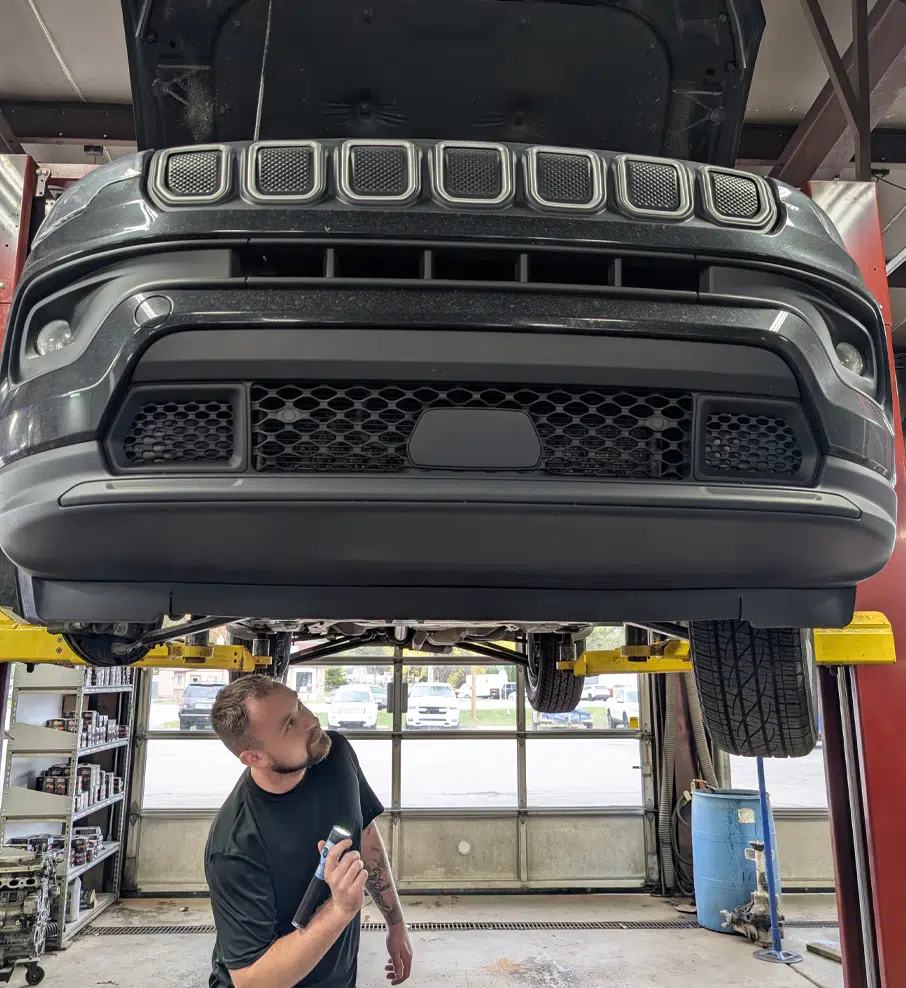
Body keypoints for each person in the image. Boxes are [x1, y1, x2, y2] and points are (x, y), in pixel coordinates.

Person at [205, 675, 413, 988]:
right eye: (290, 724)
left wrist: (395, 923)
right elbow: (252, 980)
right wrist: (340, 909)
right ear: (254, 758)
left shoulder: (334, 754)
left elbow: (364, 833)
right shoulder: (234, 846)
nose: (311, 720)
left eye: (300, 705)